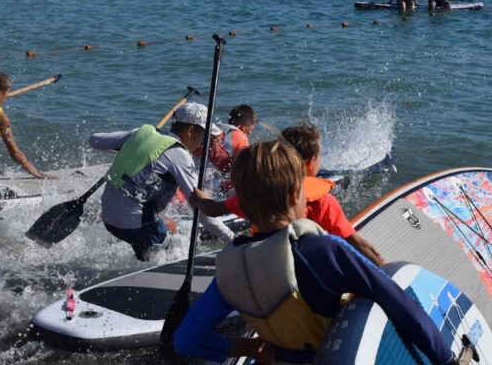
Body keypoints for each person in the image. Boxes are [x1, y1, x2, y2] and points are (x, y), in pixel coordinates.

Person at [174, 140, 454, 364]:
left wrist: (250, 347)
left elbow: (185, 340)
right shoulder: (323, 250)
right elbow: (397, 300)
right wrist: (445, 358)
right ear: (296, 193)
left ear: (242, 206)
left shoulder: (230, 271)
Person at [88, 103, 236, 261]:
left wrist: (132, 147)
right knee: (177, 251)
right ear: (190, 130)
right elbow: (201, 209)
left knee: (169, 227)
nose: (204, 142)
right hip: (135, 224)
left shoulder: (142, 133)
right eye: (204, 135)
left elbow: (94, 140)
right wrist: (233, 240)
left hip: (109, 217)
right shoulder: (179, 154)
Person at [281, 120, 384, 266]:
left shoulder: (264, 190)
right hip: (307, 274)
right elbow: (360, 245)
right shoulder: (323, 202)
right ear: (311, 161)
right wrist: (386, 270)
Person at [196, 105, 257, 197]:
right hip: (211, 184)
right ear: (244, 126)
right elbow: (241, 170)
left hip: (194, 173)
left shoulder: (215, 127)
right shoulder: (241, 136)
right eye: (251, 129)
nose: (250, 133)